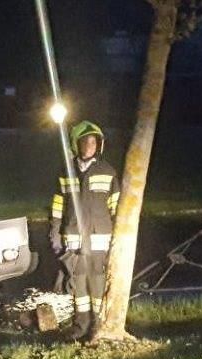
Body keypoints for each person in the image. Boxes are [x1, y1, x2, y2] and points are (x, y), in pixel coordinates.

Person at [48, 120, 121, 339]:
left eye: (93, 142)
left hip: (99, 237)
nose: (89, 146)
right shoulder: (66, 172)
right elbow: (58, 205)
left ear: (99, 145)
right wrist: (55, 232)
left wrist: (117, 237)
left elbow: (116, 207)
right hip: (74, 236)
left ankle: (97, 324)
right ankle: (80, 325)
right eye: (85, 142)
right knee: (78, 280)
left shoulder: (108, 172)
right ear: (76, 144)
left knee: (97, 280)